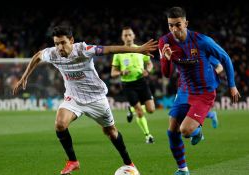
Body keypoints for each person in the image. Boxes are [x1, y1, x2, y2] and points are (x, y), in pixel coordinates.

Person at [13, 26, 158, 175]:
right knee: (60, 124)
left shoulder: (83, 49)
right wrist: (24, 77)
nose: (59, 47)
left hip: (96, 98)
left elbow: (109, 49)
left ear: (71, 40)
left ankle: (129, 163)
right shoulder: (53, 53)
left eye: (63, 43)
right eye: (56, 43)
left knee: (110, 132)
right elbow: (37, 55)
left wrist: (138, 49)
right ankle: (73, 161)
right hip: (73, 98)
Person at [159, 7, 240, 175]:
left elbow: (225, 58)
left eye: (178, 25)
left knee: (185, 130)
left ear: (186, 23)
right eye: (170, 25)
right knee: (172, 130)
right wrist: (165, 59)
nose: (174, 29)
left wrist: (232, 85)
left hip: (204, 92)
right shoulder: (165, 42)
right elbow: (166, 73)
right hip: (184, 89)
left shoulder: (202, 41)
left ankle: (198, 131)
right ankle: (183, 170)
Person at [111, 26, 155, 144]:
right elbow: (113, 72)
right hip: (128, 85)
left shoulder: (141, 49)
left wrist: (148, 70)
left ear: (134, 36)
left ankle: (131, 109)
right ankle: (148, 135)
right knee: (140, 112)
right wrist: (121, 72)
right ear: (122, 37)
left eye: (130, 34)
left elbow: (150, 64)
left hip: (141, 82)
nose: (128, 37)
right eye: (125, 35)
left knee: (151, 110)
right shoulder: (118, 53)